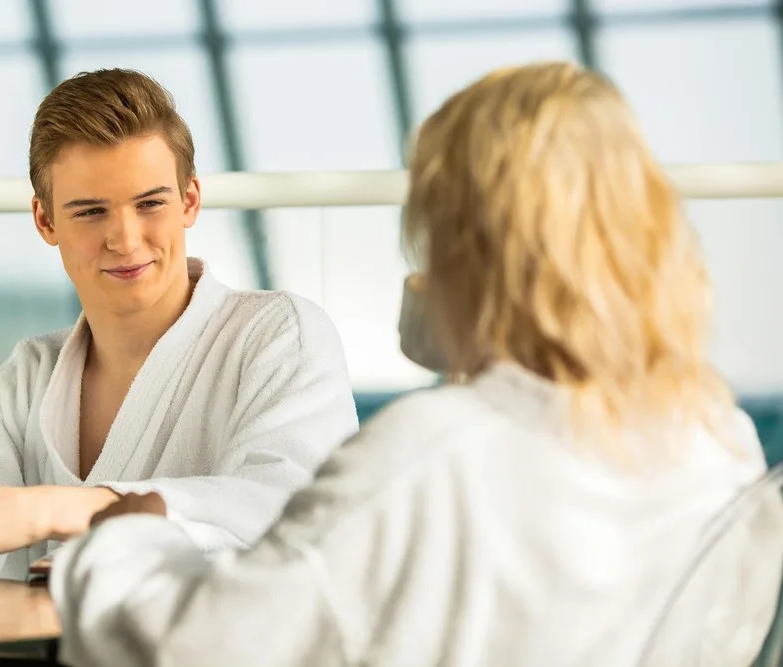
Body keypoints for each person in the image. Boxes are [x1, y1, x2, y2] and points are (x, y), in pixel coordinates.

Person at [46, 62, 775, 667]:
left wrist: (125, 542)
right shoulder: (723, 442)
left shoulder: (428, 454)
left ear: (462, 243)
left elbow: (198, 645)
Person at [0, 68, 358, 578]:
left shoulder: (280, 335)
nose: (124, 238)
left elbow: (289, 506)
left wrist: (45, 508)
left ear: (189, 201)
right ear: (45, 218)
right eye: (91, 211)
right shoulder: (32, 373)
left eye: (150, 203)